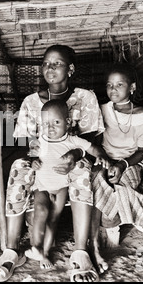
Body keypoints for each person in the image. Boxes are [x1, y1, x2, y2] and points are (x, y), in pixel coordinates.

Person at [0, 44, 105, 282]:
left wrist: (75, 156)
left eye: (57, 63)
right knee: (19, 167)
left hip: (71, 162)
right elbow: (21, 142)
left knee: (82, 169)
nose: (50, 68)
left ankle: (80, 254)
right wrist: (31, 159)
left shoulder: (85, 97)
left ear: (70, 69)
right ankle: (11, 251)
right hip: (40, 163)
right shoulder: (31, 102)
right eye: (46, 63)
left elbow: (92, 140)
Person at [24, 99, 109, 270]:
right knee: (41, 212)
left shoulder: (73, 141)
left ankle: (45, 252)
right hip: (42, 187)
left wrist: (101, 156)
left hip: (61, 189)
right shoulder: (39, 141)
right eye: (46, 123)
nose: (51, 127)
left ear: (67, 122)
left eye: (56, 122)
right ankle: (37, 246)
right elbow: (30, 156)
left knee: (53, 220)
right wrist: (33, 161)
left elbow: (94, 149)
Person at [90, 64, 143, 273]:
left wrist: (122, 165)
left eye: (119, 84)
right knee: (97, 181)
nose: (113, 89)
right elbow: (96, 141)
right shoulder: (103, 109)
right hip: (106, 157)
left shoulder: (142, 114)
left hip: (131, 161)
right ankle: (95, 240)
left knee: (123, 184)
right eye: (109, 85)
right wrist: (105, 161)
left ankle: (112, 225)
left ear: (132, 87)